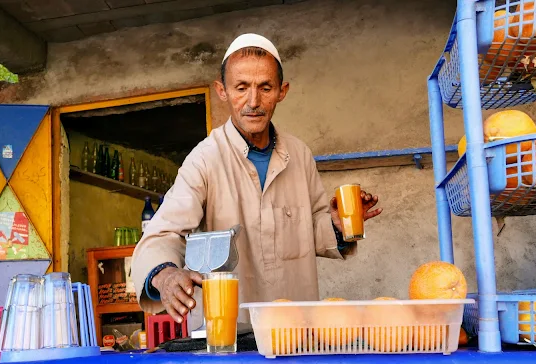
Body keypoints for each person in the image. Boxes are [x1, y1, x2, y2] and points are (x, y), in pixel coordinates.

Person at [131, 33, 382, 328]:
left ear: (281, 91)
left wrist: (337, 226)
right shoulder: (205, 158)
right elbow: (161, 235)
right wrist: (166, 274)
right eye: (241, 88)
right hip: (230, 336)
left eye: (265, 87)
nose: (253, 101)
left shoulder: (299, 155)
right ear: (222, 91)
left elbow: (308, 231)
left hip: (296, 331)